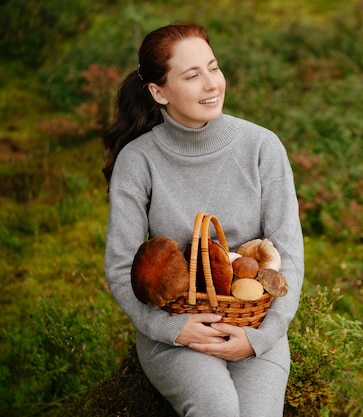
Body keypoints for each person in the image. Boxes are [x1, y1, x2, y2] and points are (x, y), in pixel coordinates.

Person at [101, 23, 304, 417]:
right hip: (176, 332)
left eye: (214, 68)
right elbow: (121, 266)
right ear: (159, 92)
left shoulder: (262, 147)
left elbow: (289, 254)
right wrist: (171, 331)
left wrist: (259, 339)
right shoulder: (138, 160)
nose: (211, 84)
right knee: (217, 407)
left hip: (255, 325)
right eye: (192, 76)